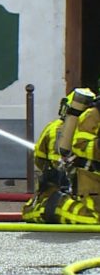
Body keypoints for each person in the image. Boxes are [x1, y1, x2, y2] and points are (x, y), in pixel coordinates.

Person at [22, 87, 100, 225]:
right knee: (92, 218)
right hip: (78, 187)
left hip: (57, 186)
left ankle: (45, 206)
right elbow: (82, 147)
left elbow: (39, 160)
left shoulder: (52, 128)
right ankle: (53, 206)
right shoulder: (88, 122)